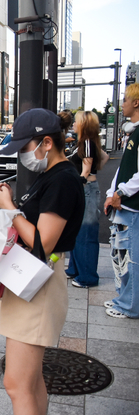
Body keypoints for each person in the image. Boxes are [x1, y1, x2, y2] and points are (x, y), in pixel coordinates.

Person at [0, 108, 84, 415]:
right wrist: (11, 203)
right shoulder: (52, 175)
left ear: (47, 143)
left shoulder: (63, 180)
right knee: (30, 381)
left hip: (38, 284)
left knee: (17, 385)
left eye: (25, 147)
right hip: (32, 281)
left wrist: (9, 208)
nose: (22, 155)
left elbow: (43, 242)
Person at [104, 83, 139, 319]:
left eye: (125, 99)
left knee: (133, 261)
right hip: (124, 205)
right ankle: (123, 299)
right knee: (123, 257)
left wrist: (121, 193)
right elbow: (122, 169)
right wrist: (111, 192)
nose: (122, 103)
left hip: (132, 206)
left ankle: (129, 306)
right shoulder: (133, 133)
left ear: (136, 102)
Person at [65, 111, 103, 288]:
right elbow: (104, 157)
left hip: (85, 189)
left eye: (76, 121)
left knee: (85, 234)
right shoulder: (87, 142)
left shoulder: (86, 142)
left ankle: (87, 277)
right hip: (86, 189)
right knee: (77, 232)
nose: (73, 124)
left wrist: (80, 181)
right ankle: (75, 269)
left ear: (84, 124)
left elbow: (86, 169)